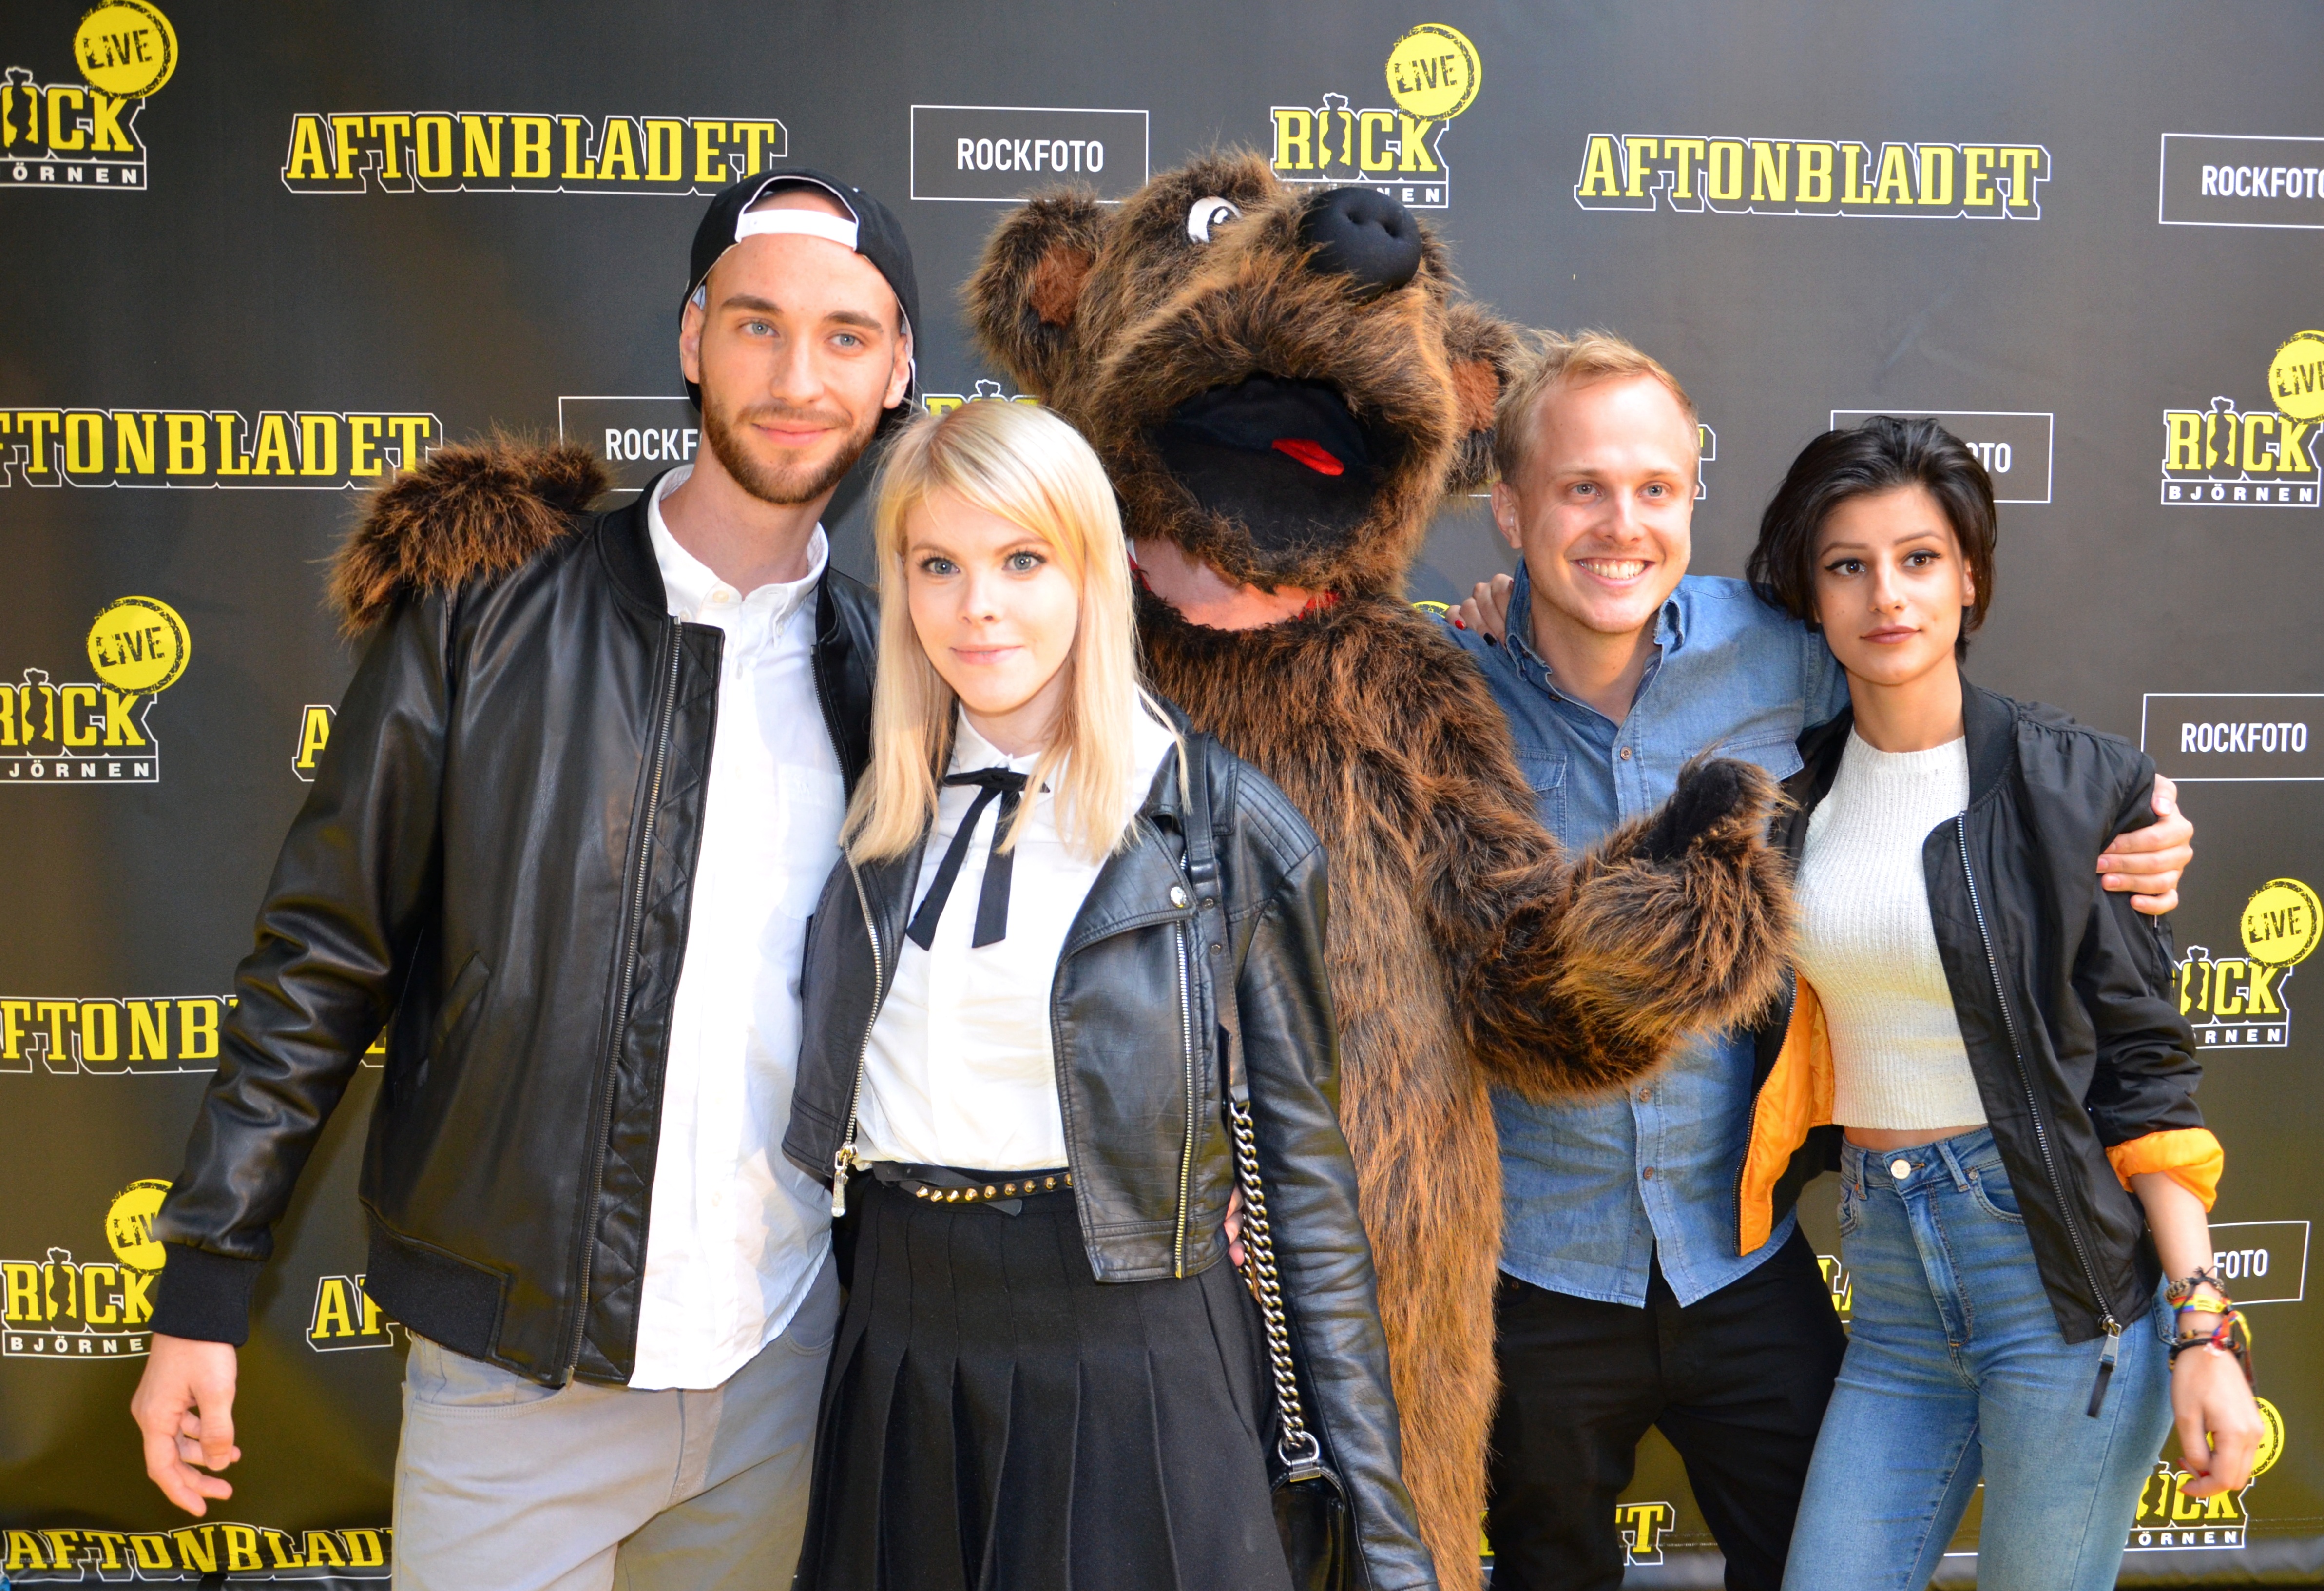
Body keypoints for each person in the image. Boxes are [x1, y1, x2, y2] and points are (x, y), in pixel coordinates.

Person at [128, 167, 920, 1590]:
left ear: (899, 371)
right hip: (511, 1387)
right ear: (692, 339)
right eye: (757, 324)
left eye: (845, 336)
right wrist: (203, 1284)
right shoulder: (485, 612)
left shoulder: (896, 676)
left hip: (780, 1378)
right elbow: (322, 956)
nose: (799, 377)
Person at [1439, 333, 2197, 1591]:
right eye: (1581, 489)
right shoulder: (1437, 697)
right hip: (1537, 1271)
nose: (1622, 525)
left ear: (1692, 498)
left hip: (1747, 1263)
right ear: (1512, 512)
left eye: (1654, 488)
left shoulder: (1782, 648)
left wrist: (2133, 816)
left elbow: (1950, 734)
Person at [781, 396, 1435, 1591]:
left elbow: (1309, 1192)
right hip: (900, 1352)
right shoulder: (873, 811)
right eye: (939, 565)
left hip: (1133, 1354)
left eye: (1022, 560)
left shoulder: (1220, 827)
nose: (978, 606)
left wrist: (1389, 1549)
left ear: (1094, 571)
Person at [1737, 416, 2261, 1591]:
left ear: (1969, 577)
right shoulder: (1789, 804)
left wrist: (2203, 1326)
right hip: (1889, 1297)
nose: (1888, 594)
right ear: (1811, 594)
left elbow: (2146, 1076)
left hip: (2061, 1296)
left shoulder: (2081, 785)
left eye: (1920, 558)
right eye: (1848, 565)